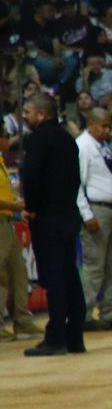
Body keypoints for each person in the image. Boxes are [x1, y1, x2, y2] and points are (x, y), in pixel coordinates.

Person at [18, 94, 86, 356]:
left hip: (48, 217)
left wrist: (31, 208)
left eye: (27, 111)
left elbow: (32, 177)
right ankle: (75, 336)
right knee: (70, 273)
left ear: (41, 114)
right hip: (68, 213)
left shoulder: (38, 138)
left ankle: (56, 337)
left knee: (55, 276)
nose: (24, 115)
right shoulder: (68, 138)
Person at [76, 107, 112, 329]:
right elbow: (77, 183)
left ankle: (109, 312)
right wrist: (86, 214)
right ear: (92, 125)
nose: (109, 129)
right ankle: (83, 315)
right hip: (96, 210)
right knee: (94, 266)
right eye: (105, 125)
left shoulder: (102, 145)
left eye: (109, 125)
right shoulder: (83, 146)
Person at [0, 125, 42, 340]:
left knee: (18, 271)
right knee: (0, 274)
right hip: (2, 218)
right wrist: (16, 206)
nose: (9, 141)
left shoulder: (1, 161)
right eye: (6, 136)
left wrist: (16, 207)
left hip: (6, 220)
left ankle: (23, 321)